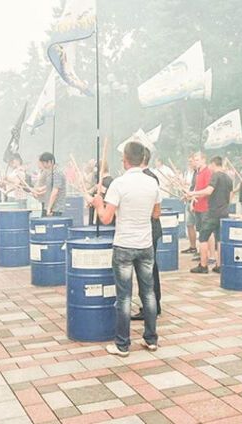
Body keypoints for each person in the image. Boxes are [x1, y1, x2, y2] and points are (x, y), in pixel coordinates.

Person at [87, 141, 161, 357]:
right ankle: (151, 338)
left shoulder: (119, 184)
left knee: (124, 297)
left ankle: (122, 344)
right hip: (146, 245)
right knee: (148, 293)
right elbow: (156, 214)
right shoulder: (152, 183)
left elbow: (106, 217)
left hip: (124, 246)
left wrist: (98, 203)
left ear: (125, 160)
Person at [132, 147, 163, 320]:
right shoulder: (148, 176)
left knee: (148, 271)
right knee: (149, 270)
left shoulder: (148, 177)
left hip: (148, 228)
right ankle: (152, 305)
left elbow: (154, 209)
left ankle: (150, 306)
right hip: (149, 228)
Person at [189, 156, 233, 274]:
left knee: (203, 237)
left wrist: (193, 193)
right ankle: (219, 265)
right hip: (224, 212)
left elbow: (208, 191)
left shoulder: (215, 176)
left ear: (213, 164)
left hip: (213, 212)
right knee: (219, 239)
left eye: (210, 165)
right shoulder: (228, 178)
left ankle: (203, 266)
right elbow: (230, 197)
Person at [33, 152, 66, 217]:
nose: (43, 165)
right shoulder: (48, 173)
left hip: (55, 208)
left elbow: (55, 192)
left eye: (44, 163)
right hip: (47, 206)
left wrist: (49, 208)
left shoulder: (57, 173)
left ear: (50, 162)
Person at [88, 160, 114, 225]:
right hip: (112, 220)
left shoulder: (101, 185)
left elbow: (92, 202)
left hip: (101, 221)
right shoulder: (114, 183)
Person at [181, 155, 198, 254]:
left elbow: (198, 188)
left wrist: (192, 199)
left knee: (200, 227)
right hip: (189, 200)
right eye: (189, 161)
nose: (190, 163)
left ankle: (204, 251)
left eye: (192, 161)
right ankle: (193, 247)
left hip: (195, 202)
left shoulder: (199, 173)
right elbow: (192, 187)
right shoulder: (191, 173)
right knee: (189, 224)